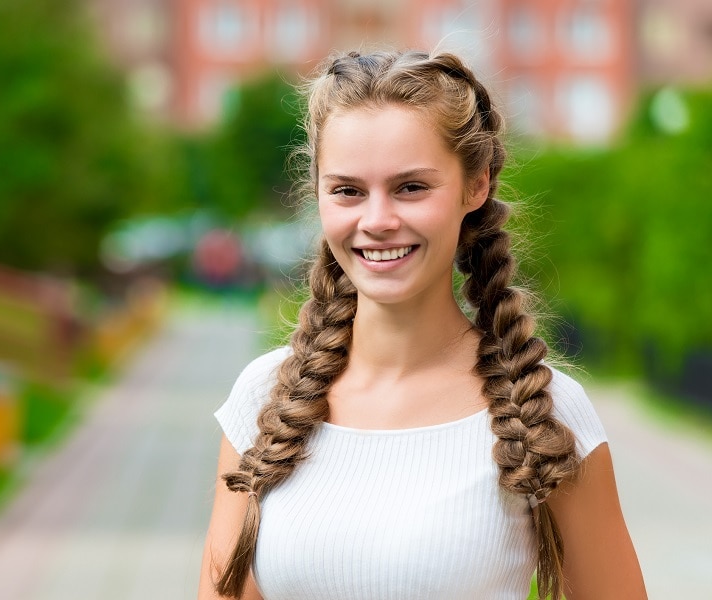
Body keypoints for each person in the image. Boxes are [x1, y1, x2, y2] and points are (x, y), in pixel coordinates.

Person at [198, 48, 647, 600]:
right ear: (318, 194)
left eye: (411, 187)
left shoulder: (543, 412)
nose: (378, 220)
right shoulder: (261, 401)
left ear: (476, 185)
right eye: (348, 190)